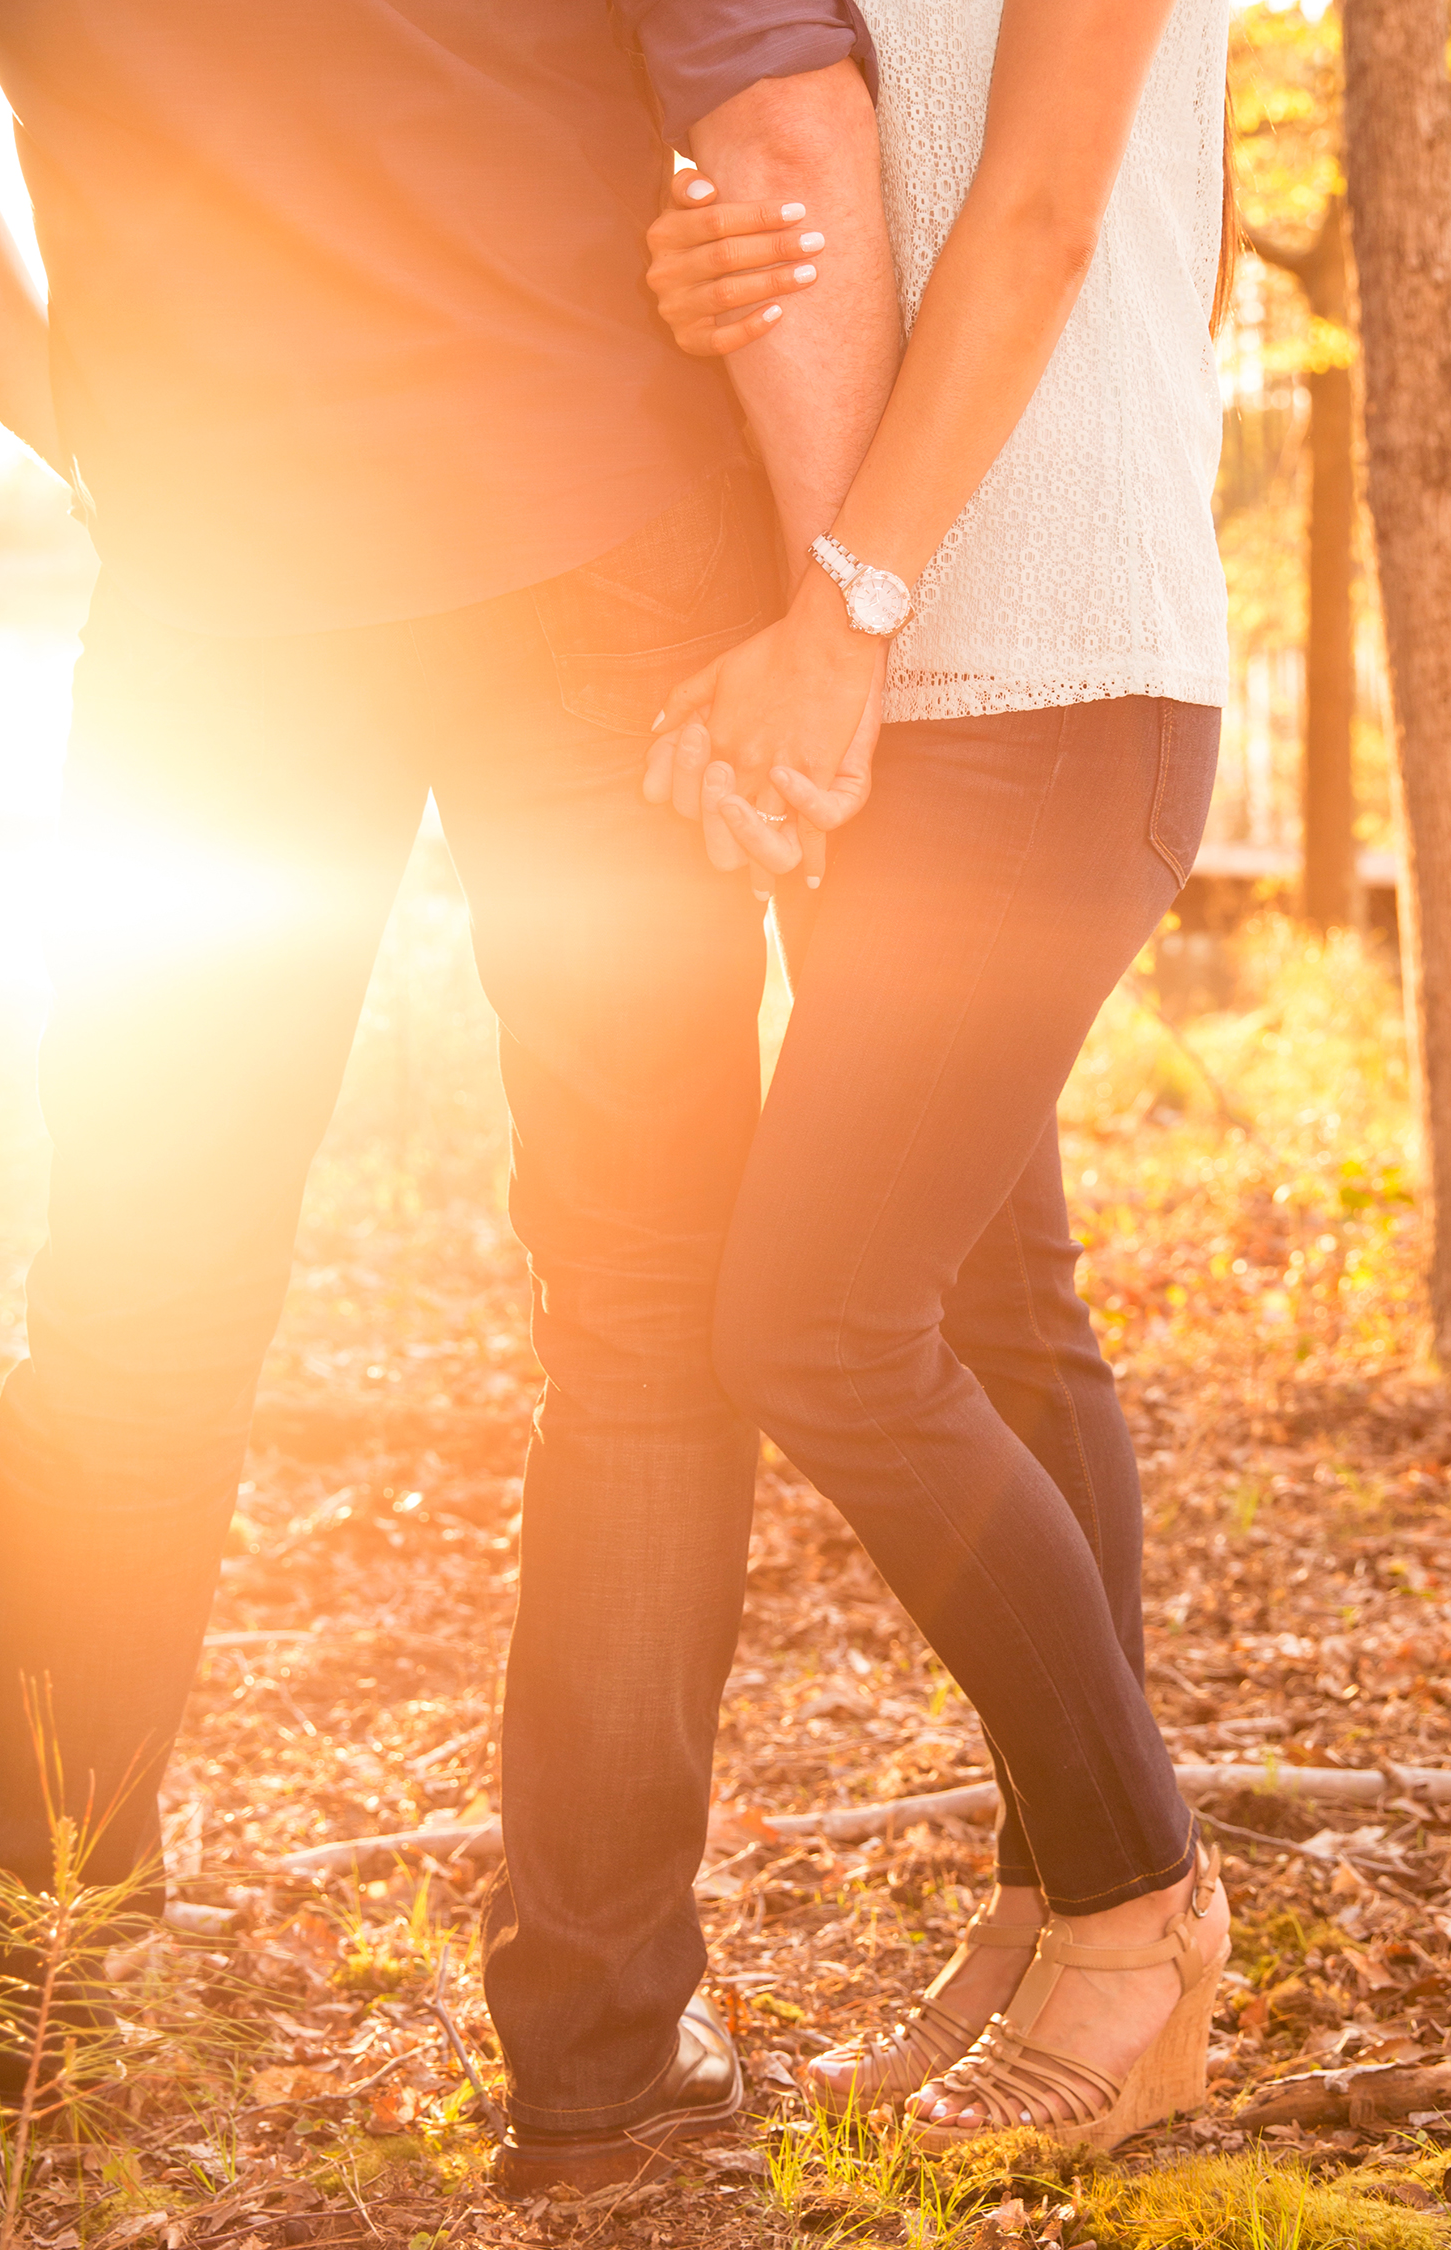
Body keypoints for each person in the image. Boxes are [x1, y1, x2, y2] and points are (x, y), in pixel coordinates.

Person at [0, 0, 901, 2194]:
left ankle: (19, 1999)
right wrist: (849, 605)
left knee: (134, 1305)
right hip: (601, 545)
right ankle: (599, 2067)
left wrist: (93, 418)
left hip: (220, 581)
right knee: (649, 1313)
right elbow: (772, 105)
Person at [642, 0, 1235, 2150]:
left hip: (1057, 672)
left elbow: (1061, 210)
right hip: (905, 695)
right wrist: (704, 263)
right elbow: (856, 200)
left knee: (816, 1318)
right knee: (999, 1306)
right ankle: (1045, 1902)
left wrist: (845, 612)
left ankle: (1139, 1903)